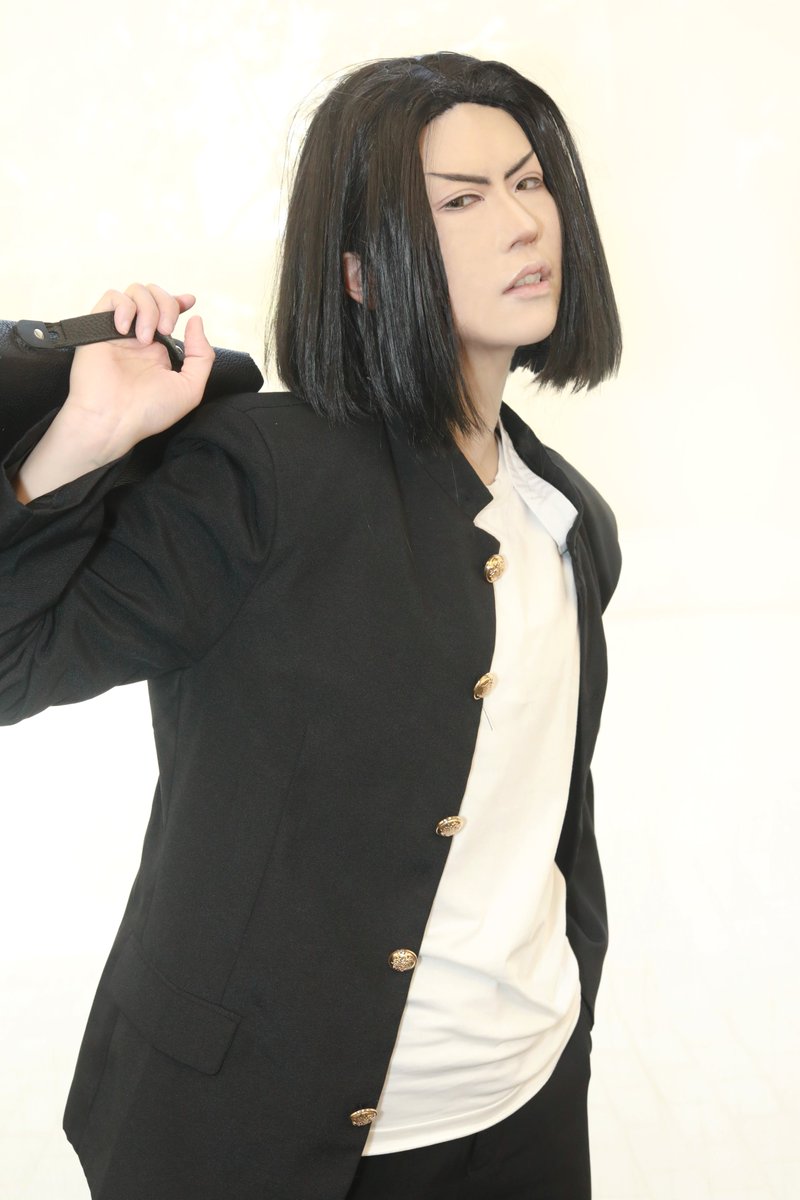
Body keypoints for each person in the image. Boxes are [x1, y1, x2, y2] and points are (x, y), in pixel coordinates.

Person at [0, 51, 621, 1200]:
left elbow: (541, 812)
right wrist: (82, 440)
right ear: (361, 274)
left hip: (525, 1106)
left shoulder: (566, 516)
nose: (522, 222)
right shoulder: (262, 474)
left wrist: (570, 988)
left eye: (529, 182)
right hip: (253, 1135)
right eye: (460, 200)